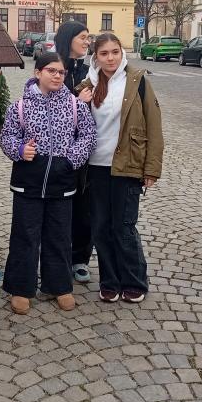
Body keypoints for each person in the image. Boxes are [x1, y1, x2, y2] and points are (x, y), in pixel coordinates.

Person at [0, 52, 96, 314]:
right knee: (25, 235)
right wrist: (20, 150)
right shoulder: (19, 107)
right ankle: (21, 288)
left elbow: (88, 136)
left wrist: (71, 159)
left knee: (59, 236)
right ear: (38, 73)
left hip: (61, 181)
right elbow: (7, 137)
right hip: (28, 182)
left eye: (61, 72)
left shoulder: (75, 105)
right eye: (51, 70)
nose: (57, 76)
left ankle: (59, 285)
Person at [77, 33, 164, 304]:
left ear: (121, 53)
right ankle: (110, 281)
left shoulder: (137, 81)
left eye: (115, 52)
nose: (110, 58)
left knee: (124, 227)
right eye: (104, 53)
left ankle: (134, 281)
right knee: (101, 228)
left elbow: (154, 125)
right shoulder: (88, 84)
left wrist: (151, 169)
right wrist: (80, 102)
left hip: (127, 165)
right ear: (96, 57)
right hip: (96, 167)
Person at [53, 20, 93, 284]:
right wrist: (76, 103)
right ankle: (57, 257)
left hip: (85, 151)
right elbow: (45, 108)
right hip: (57, 151)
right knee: (59, 208)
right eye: (83, 37)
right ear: (69, 39)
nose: (87, 42)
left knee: (84, 207)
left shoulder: (89, 72)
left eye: (88, 38)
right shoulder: (54, 69)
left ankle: (80, 258)